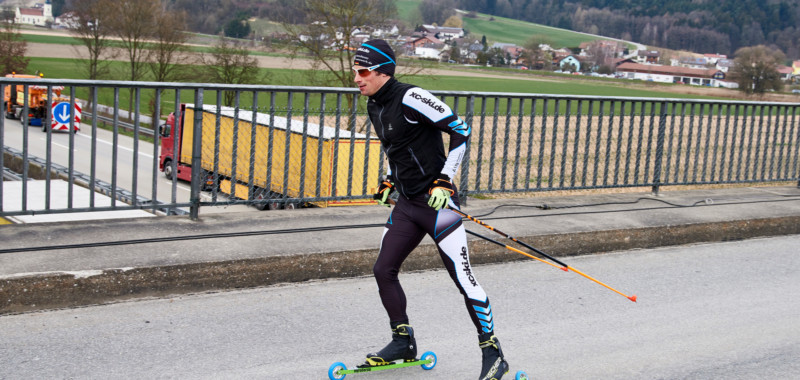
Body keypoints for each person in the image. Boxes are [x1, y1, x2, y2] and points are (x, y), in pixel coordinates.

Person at [353, 39, 510, 380]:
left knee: (463, 280)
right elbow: (399, 148)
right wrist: (389, 179)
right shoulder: (374, 105)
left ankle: (493, 353)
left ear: (383, 72)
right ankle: (403, 341)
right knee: (383, 270)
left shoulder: (412, 97)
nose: (357, 78)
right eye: (355, 71)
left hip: (439, 207)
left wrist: (444, 180)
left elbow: (461, 131)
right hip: (408, 205)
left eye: (363, 71)